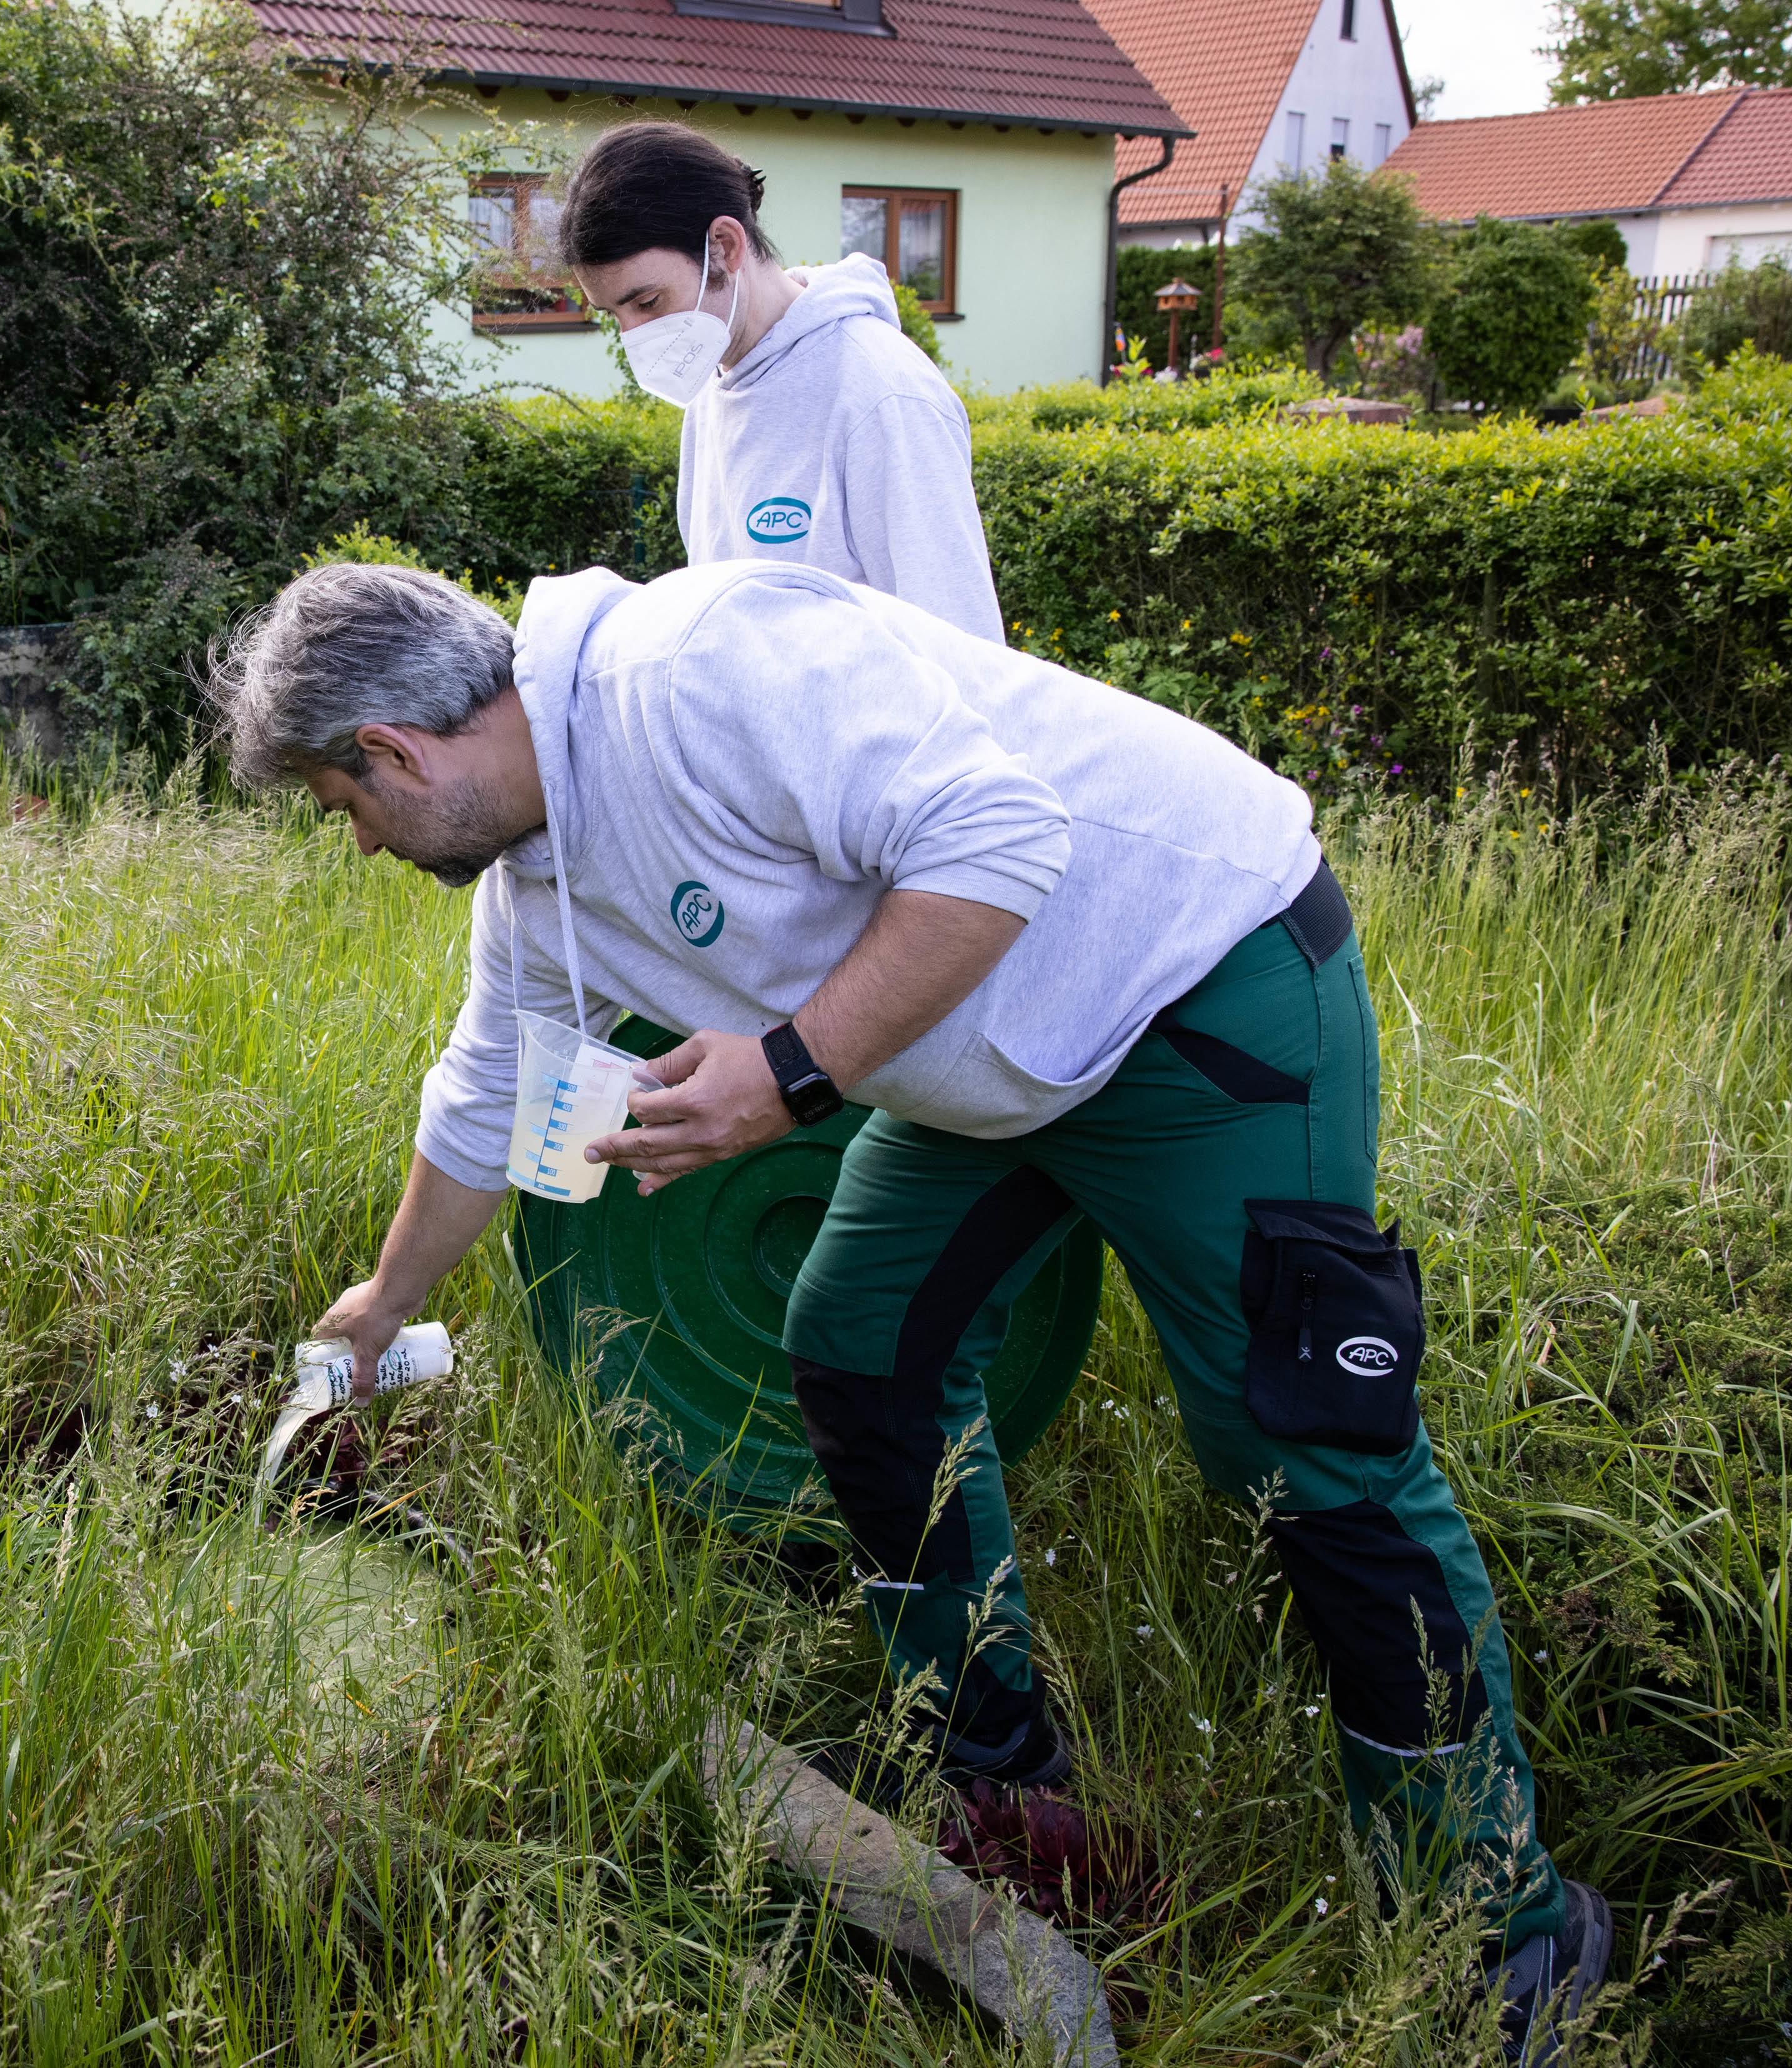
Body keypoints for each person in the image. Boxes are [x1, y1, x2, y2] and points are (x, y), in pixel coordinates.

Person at [207, 557, 1613, 2061]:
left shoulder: (693, 667)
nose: (354, 840)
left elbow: (1004, 838)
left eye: (336, 805)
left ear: (395, 752)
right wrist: (380, 1302)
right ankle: (1007, 1792)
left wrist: (790, 1072)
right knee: (859, 1346)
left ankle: (1499, 1927)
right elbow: (494, 1097)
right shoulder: (537, 886)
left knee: (1308, 1443)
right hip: (987, 1058)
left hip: (1190, 984)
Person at [558, 121, 1003, 642]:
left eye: (648, 302)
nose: (635, 334)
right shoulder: (714, 388)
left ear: (724, 246)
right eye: (614, 314)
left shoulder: (881, 394)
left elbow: (965, 647)